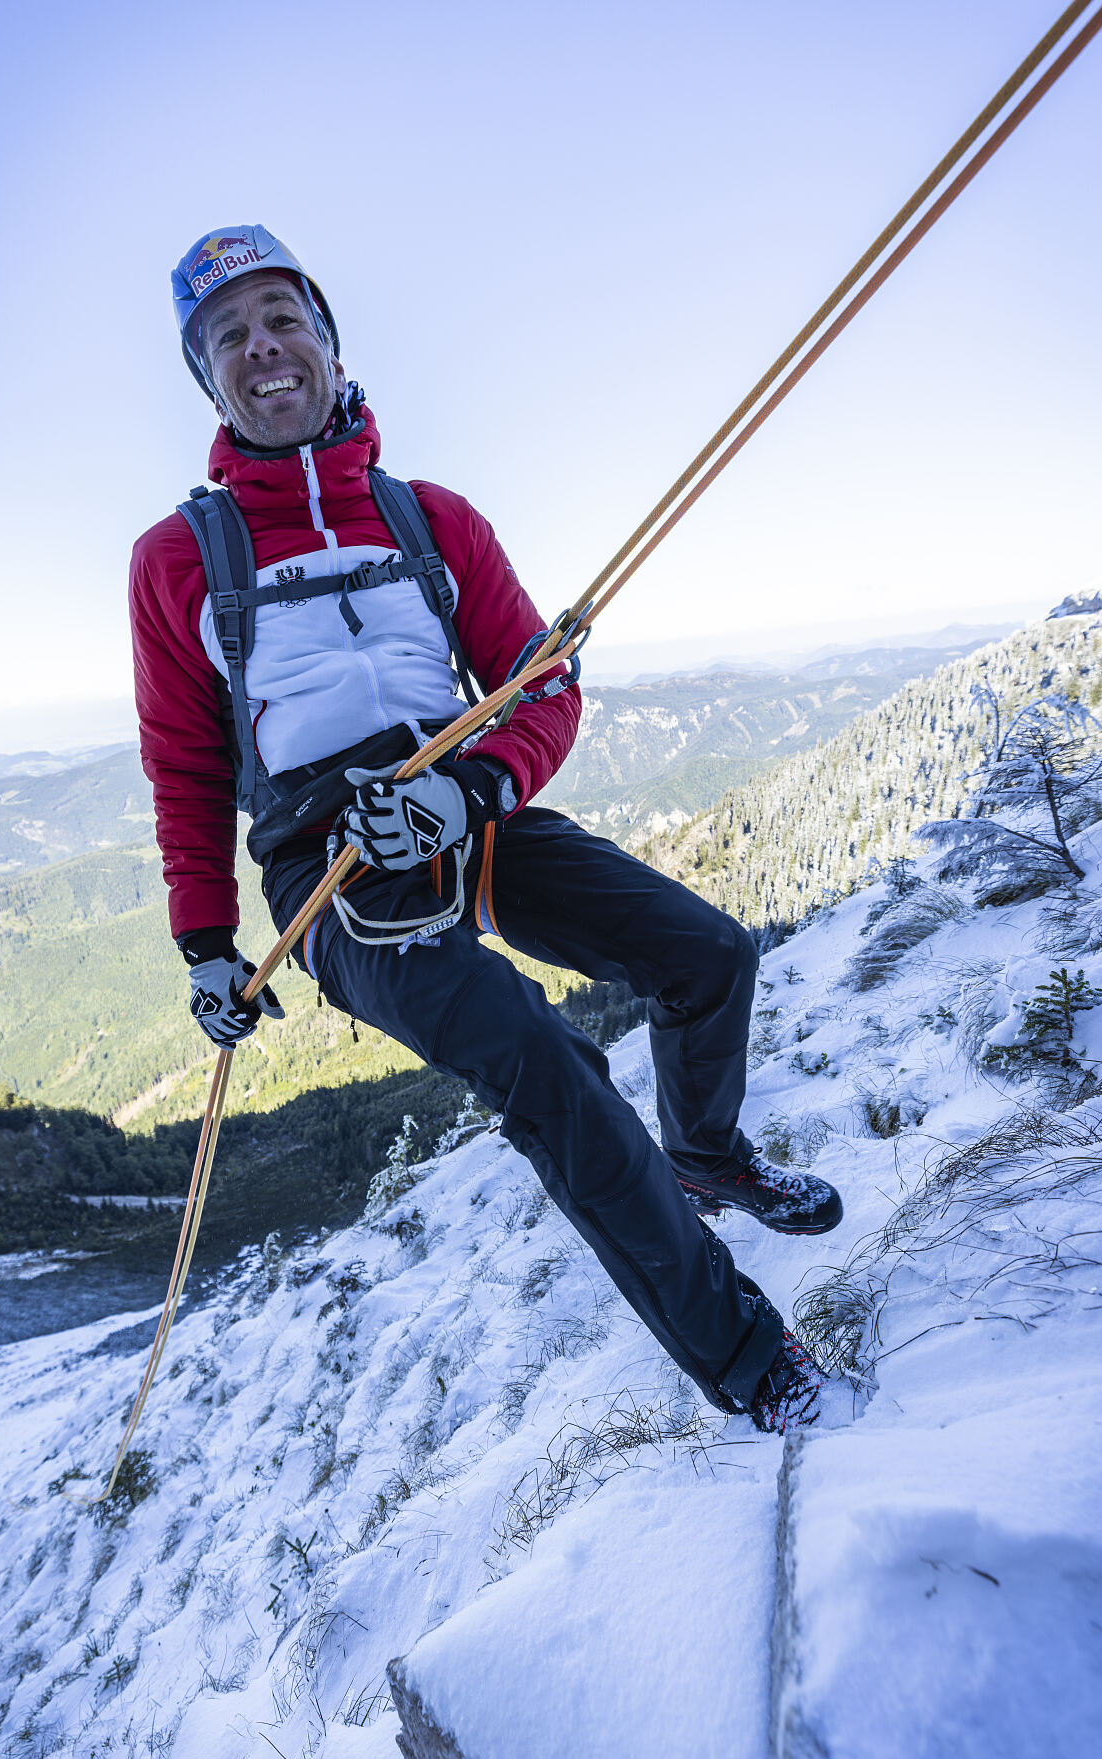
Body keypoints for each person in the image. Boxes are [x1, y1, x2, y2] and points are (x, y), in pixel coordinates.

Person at [130, 225, 842, 1434]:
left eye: (281, 318)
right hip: (327, 865)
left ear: (328, 340)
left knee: (706, 954)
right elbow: (185, 762)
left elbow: (540, 684)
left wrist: (475, 789)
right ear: (211, 381)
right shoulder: (178, 561)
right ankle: (748, 1359)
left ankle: (708, 1160)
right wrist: (206, 940)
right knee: (543, 1058)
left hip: (463, 807)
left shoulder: (431, 519)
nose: (263, 349)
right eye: (228, 337)